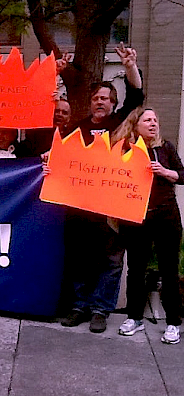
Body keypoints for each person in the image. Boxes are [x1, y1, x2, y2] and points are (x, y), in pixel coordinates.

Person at [60, 43, 144, 333]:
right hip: (79, 209)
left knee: (110, 262)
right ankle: (80, 306)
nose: (100, 102)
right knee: (80, 259)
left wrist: (130, 66)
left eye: (106, 98)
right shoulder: (77, 128)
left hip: (110, 211)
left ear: (113, 104)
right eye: (96, 97)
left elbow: (136, 96)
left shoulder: (119, 123)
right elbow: (62, 160)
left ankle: (101, 309)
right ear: (90, 102)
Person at [111, 107, 183, 344]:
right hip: (136, 218)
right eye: (147, 120)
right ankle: (134, 318)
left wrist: (166, 172)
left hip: (166, 216)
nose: (153, 123)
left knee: (169, 270)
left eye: (155, 120)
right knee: (136, 270)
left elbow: (182, 174)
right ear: (136, 125)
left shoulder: (166, 148)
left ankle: (173, 322)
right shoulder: (123, 150)